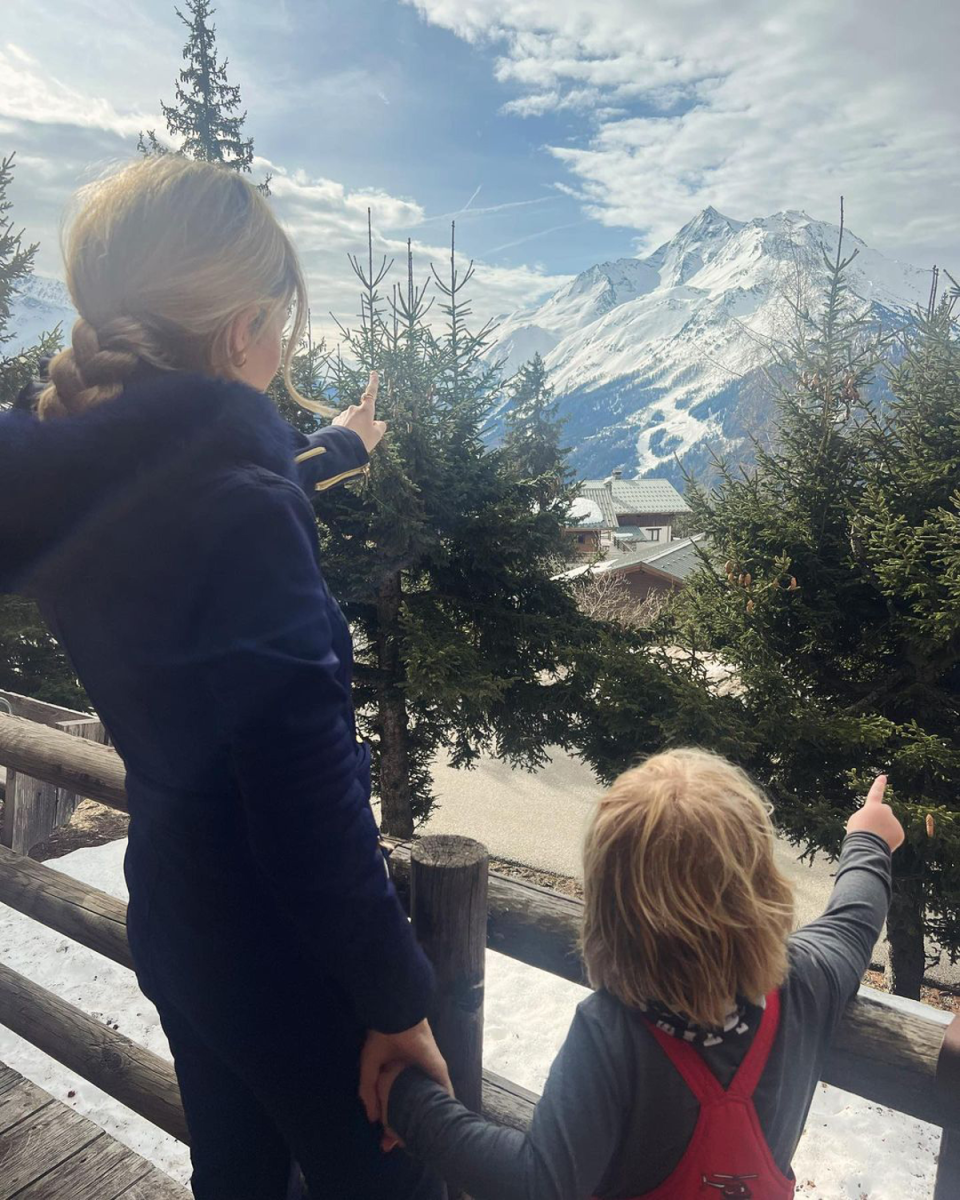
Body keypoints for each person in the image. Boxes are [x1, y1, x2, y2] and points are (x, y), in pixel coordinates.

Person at [0, 155, 448, 1200]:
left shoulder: (65, 476)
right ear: (243, 329)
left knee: (236, 1182)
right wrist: (393, 998)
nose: (283, 346)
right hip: (297, 970)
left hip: (181, 924)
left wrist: (334, 448)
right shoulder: (234, 509)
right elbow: (307, 799)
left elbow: (184, 488)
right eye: (280, 323)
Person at [377, 748, 904, 1200]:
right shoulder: (805, 981)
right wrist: (867, 838)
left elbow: (538, 1184)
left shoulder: (612, 1034)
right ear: (762, 886)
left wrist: (406, 1098)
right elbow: (853, 920)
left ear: (609, 912)